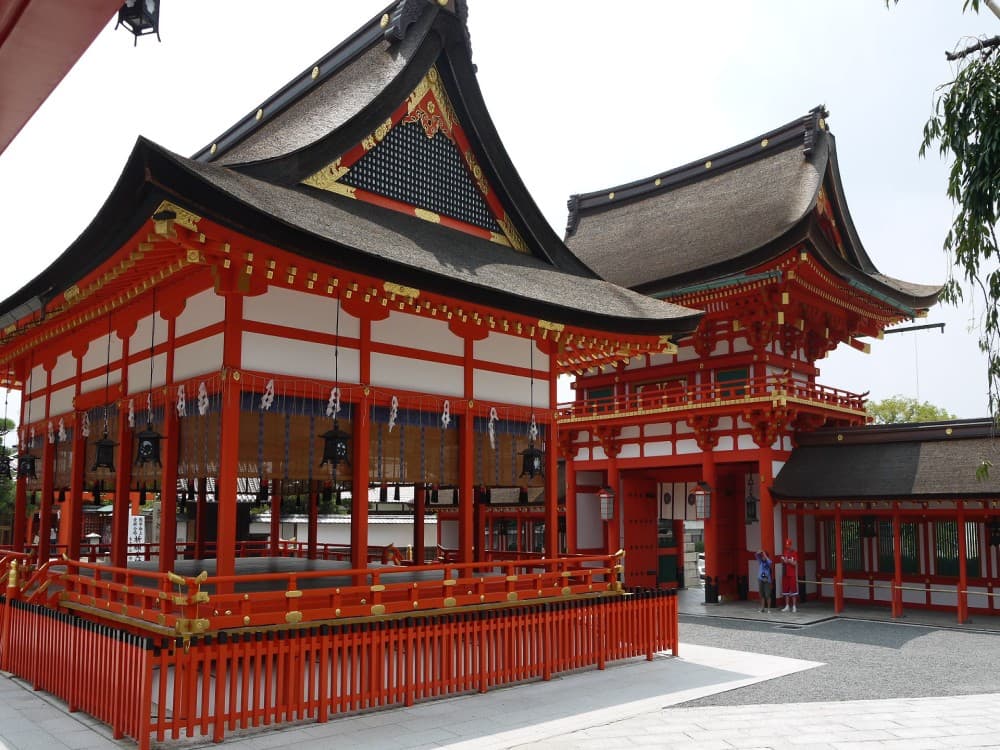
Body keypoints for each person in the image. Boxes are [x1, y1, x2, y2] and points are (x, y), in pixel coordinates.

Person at [780, 539, 799, 613]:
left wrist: (790, 561)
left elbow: (795, 563)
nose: (787, 546)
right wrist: (783, 560)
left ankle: (794, 606)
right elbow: (783, 561)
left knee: (793, 590)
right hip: (785, 573)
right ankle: (787, 606)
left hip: (791, 574)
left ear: (791, 545)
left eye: (788, 545)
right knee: (786, 590)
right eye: (786, 545)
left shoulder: (794, 553)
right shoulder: (785, 552)